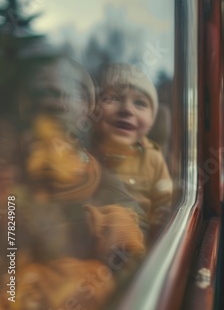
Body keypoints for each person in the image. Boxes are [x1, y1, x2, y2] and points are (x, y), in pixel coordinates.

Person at [0, 56, 148, 310]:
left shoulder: (104, 184)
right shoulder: (14, 180)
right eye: (44, 95)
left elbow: (133, 257)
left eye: (66, 94)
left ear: (86, 110)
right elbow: (10, 253)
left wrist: (111, 237)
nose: (55, 102)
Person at [92, 63, 173, 241]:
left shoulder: (152, 157)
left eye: (140, 103)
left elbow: (164, 204)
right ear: (94, 109)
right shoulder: (85, 152)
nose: (127, 110)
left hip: (134, 246)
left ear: (151, 122)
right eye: (112, 98)